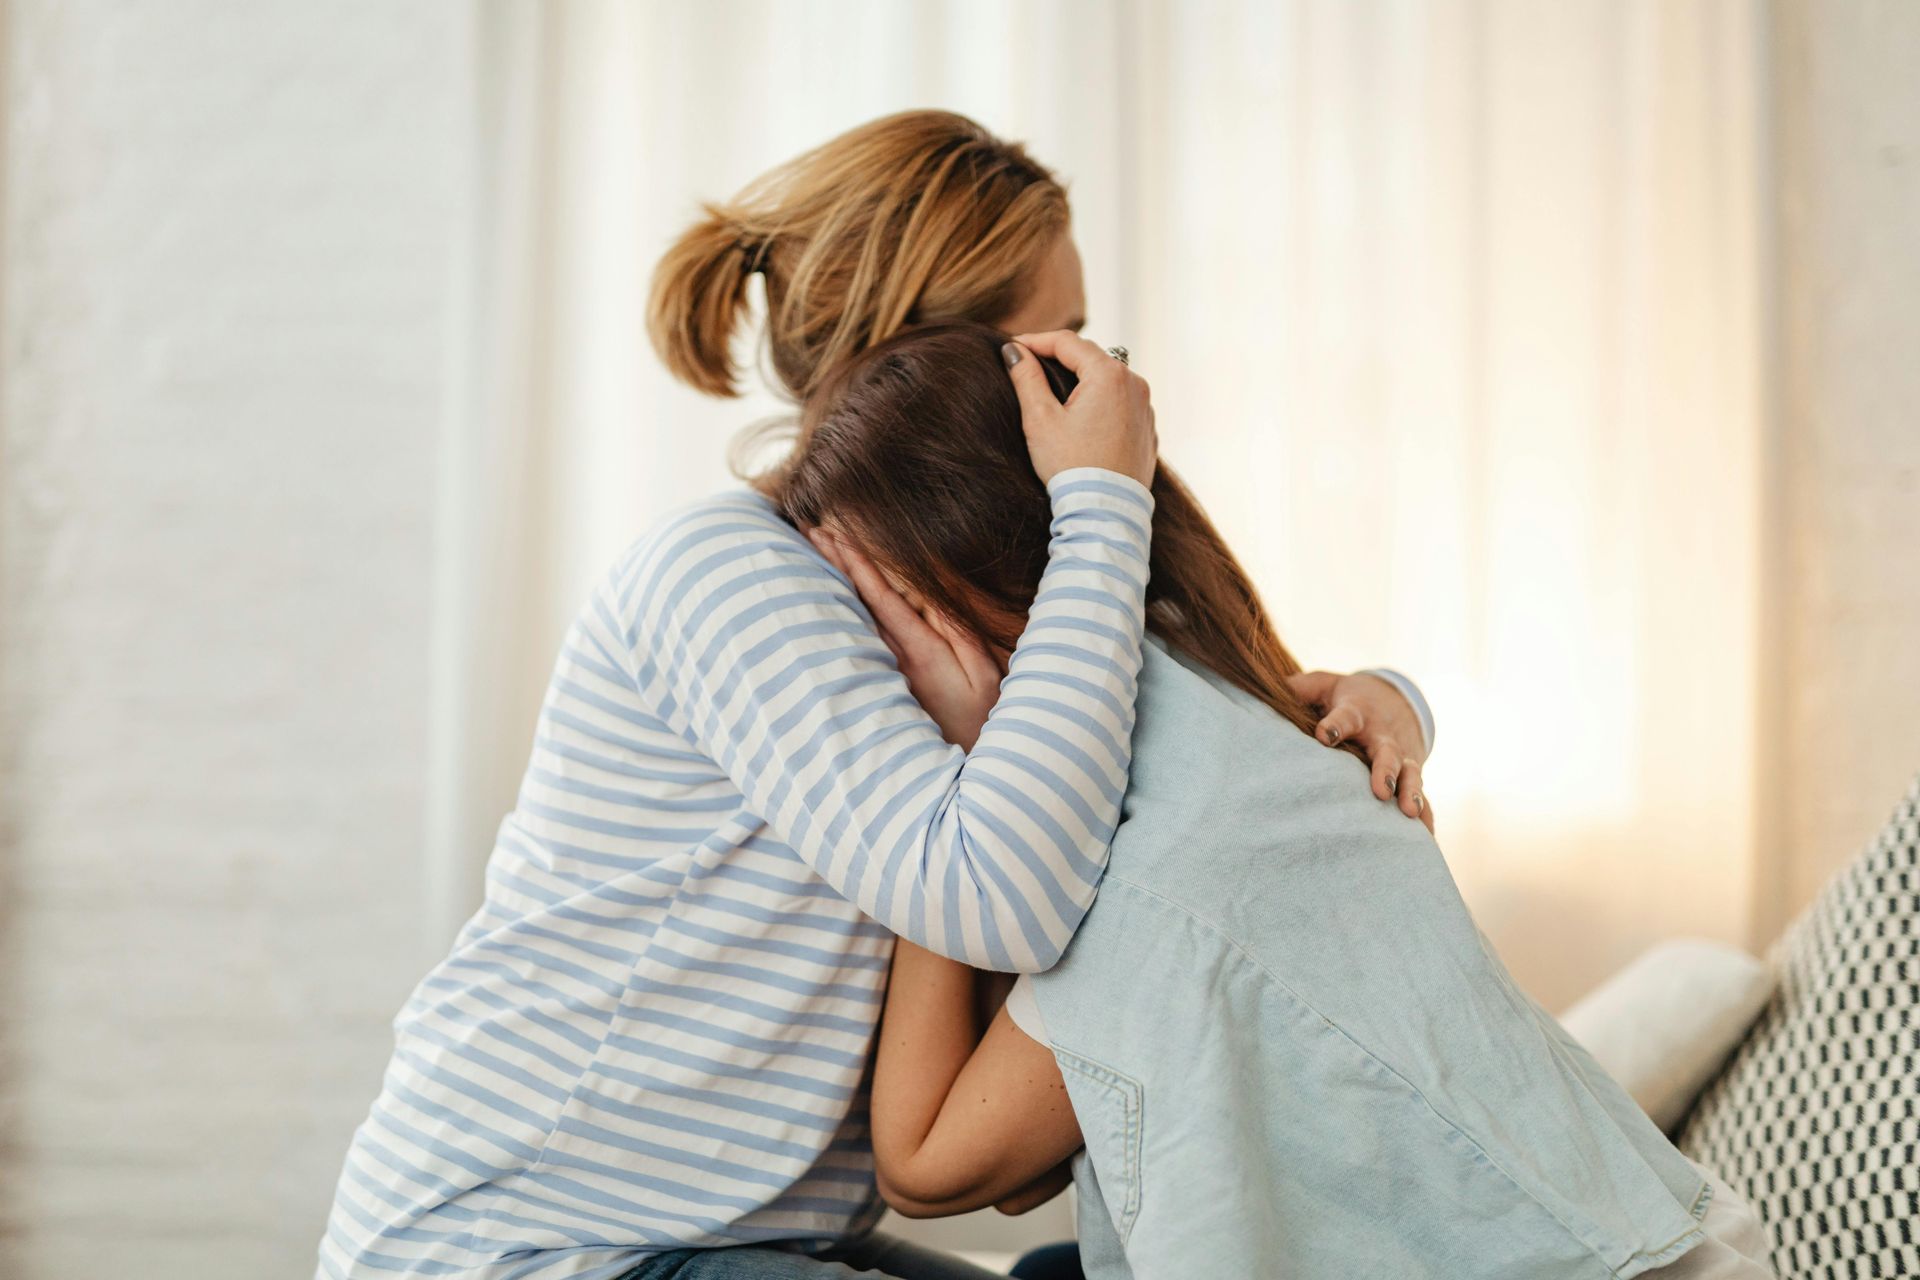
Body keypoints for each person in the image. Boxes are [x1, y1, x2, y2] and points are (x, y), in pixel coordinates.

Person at [318, 111, 1436, 1280]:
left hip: (755, 1237)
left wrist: (1387, 699)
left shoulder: (964, 596)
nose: (1101, 384)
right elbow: (994, 894)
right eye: (1061, 345)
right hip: (534, 1248)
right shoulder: (730, 574)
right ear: (929, 368)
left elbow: (1193, 739)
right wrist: (1103, 496)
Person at [772, 321, 1776, 1279]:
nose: (859, 670)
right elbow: (1038, 1153)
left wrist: (949, 795)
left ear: (957, 589)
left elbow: (927, 1161)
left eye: (872, 618)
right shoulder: (1206, 693)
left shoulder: (1168, 862)